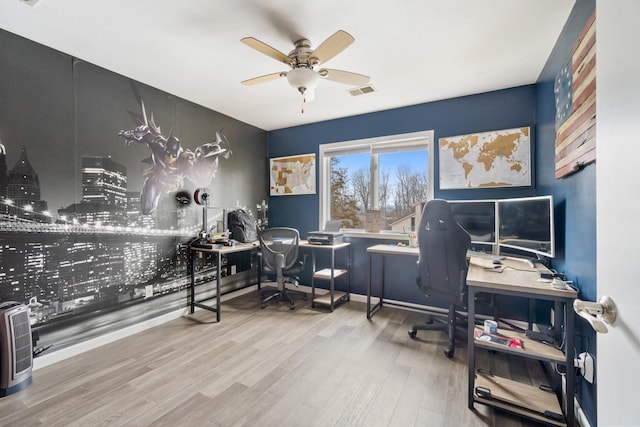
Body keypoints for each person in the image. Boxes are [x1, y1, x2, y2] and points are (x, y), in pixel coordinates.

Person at [118, 100, 228, 215]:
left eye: (173, 156)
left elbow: (198, 171)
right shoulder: (159, 144)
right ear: (165, 149)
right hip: (156, 181)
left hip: (174, 185)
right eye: (168, 154)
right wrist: (130, 135)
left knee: (182, 208)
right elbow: (144, 136)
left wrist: (207, 166)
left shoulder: (185, 159)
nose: (170, 157)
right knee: (147, 209)